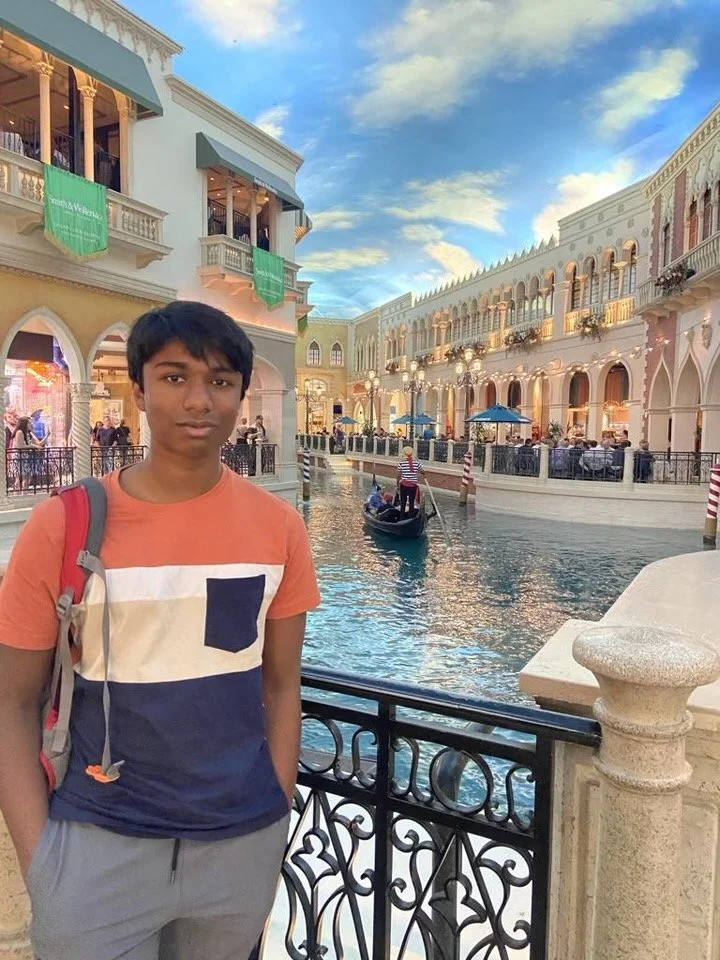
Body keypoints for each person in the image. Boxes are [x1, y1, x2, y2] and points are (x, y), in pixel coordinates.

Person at [0, 300, 320, 960]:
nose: (199, 400)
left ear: (240, 394)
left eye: (220, 381)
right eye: (175, 377)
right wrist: (44, 863)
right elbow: (11, 700)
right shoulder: (62, 525)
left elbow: (282, 686)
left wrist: (275, 810)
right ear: (140, 390)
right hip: (96, 844)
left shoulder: (279, 528)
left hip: (238, 846)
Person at [397, 445, 423, 516]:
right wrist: (424, 475)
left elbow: (398, 475)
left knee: (403, 502)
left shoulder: (401, 463)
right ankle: (411, 516)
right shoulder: (417, 463)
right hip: (413, 486)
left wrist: (397, 485)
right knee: (411, 501)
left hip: (404, 485)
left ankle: (402, 516)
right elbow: (421, 471)